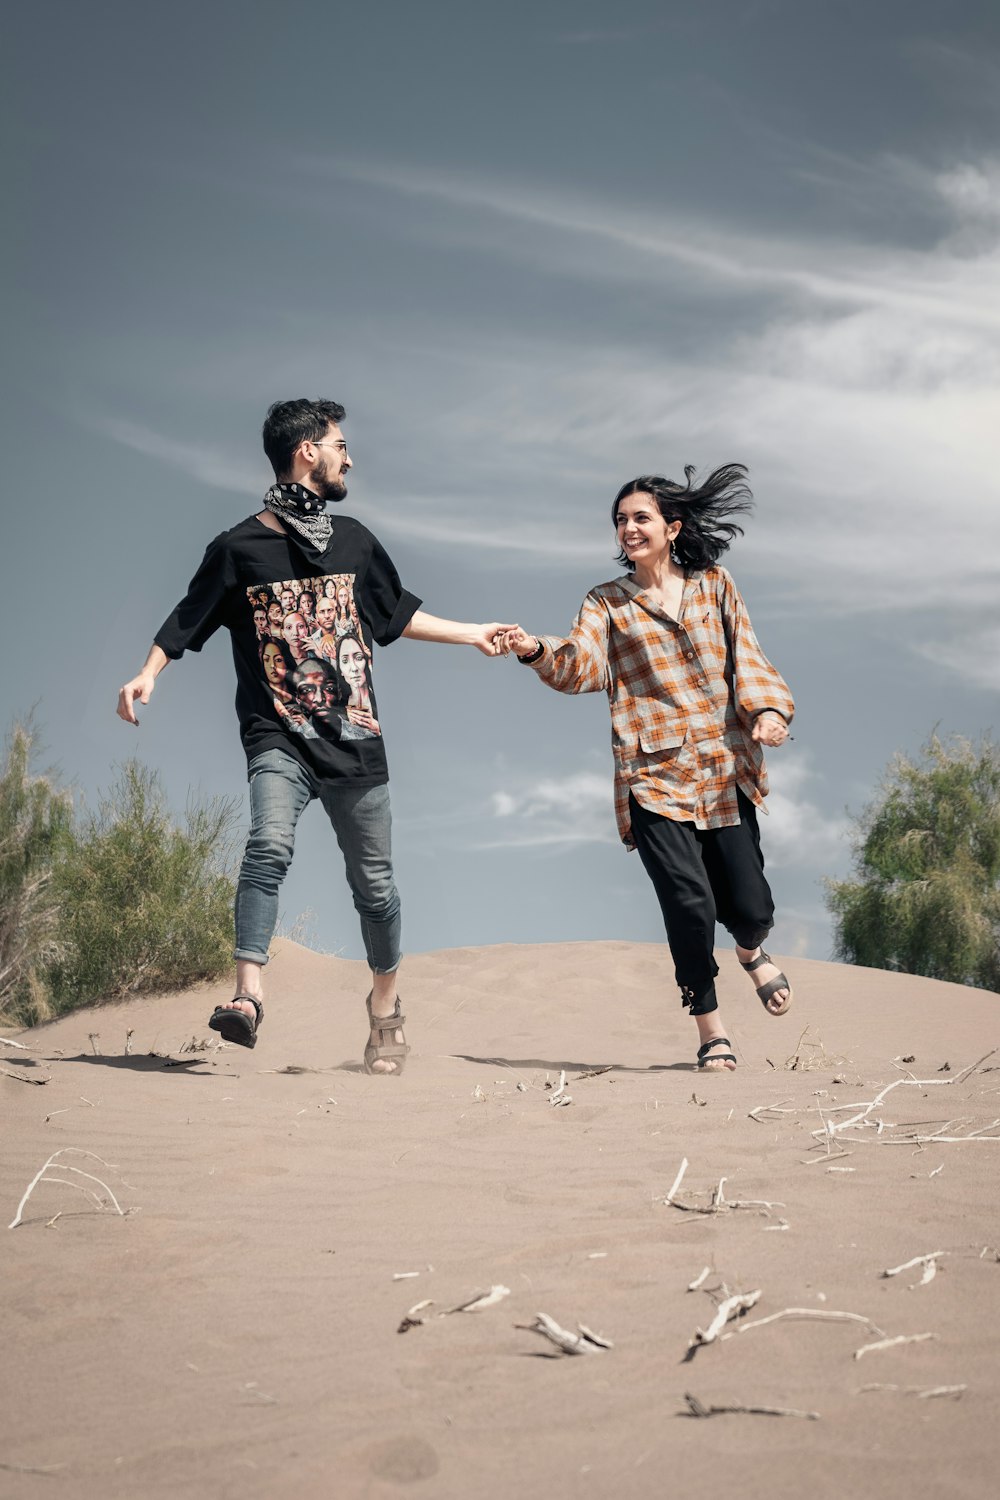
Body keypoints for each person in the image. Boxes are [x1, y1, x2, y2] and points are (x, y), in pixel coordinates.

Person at [117, 397, 512, 1073]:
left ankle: (385, 1008)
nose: (348, 456)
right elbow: (189, 617)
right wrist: (148, 672)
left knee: (376, 888)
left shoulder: (353, 541)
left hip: (354, 741)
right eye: (339, 444)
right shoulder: (239, 549)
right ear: (308, 452)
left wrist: (473, 633)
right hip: (278, 736)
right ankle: (246, 996)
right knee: (267, 844)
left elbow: (395, 614)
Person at [500, 465, 794, 1074]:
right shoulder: (606, 603)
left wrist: (767, 710)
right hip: (652, 778)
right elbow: (581, 665)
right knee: (688, 905)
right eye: (621, 520)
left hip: (724, 770)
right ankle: (711, 1030)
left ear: (671, 527)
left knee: (751, 906)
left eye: (641, 517)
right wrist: (534, 650)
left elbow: (750, 657)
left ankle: (750, 950)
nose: (628, 528)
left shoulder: (715, 586)